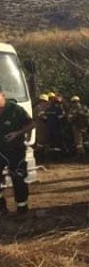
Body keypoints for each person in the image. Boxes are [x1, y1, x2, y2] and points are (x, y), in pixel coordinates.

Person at [0, 86, 35, 216]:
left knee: (18, 177)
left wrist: (17, 133)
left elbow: (32, 124)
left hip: (15, 150)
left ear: (2, 95)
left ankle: (22, 207)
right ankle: (1, 207)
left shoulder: (15, 110)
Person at [33, 94, 50, 161]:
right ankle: (38, 157)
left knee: (44, 142)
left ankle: (44, 157)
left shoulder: (43, 108)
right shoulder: (38, 108)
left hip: (44, 127)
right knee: (40, 142)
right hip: (40, 127)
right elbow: (42, 117)